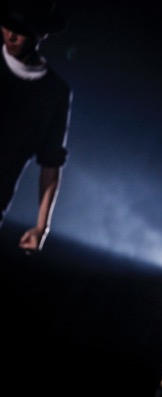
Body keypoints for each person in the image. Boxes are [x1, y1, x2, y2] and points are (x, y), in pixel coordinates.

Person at [0, 0, 72, 252]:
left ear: (40, 34)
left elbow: (51, 162)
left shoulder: (53, 93)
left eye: (20, 30)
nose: (11, 35)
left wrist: (41, 227)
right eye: (6, 26)